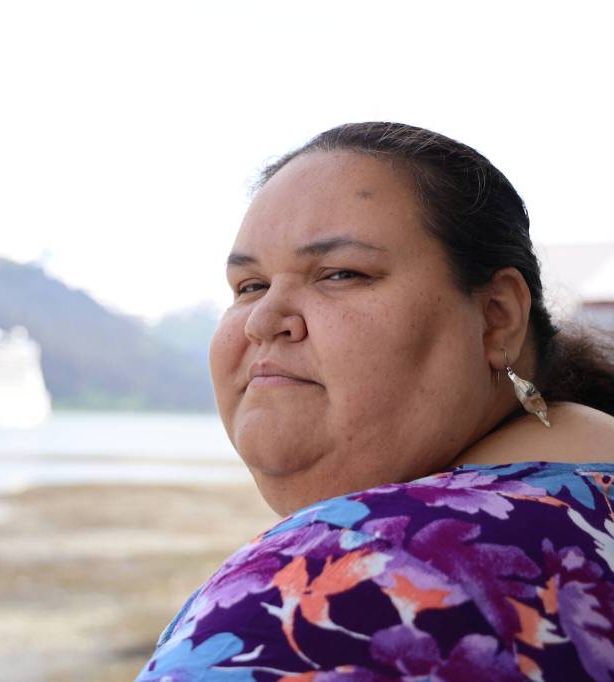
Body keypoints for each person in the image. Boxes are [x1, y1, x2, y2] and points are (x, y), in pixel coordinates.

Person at [135, 122, 614, 681]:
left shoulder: (321, 588)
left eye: (341, 273)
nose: (264, 320)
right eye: (248, 285)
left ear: (496, 317)